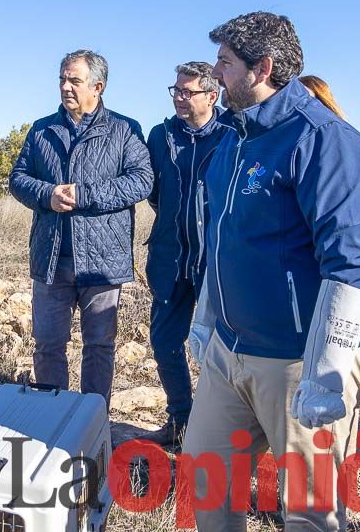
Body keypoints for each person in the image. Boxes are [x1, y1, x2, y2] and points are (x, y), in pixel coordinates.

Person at [184, 11, 360, 531]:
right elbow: (224, 239)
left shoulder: (324, 139)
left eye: (224, 64)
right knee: (206, 483)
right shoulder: (232, 140)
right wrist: (208, 318)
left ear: (262, 68)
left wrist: (327, 371)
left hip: (297, 363)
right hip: (229, 354)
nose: (215, 76)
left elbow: (352, 264)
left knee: (309, 513)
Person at [8, 50, 153, 405]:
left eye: (75, 80)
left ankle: (92, 420)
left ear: (97, 87)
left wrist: (83, 195)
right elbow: (17, 178)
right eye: (62, 78)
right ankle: (51, 415)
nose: (65, 86)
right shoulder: (42, 129)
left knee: (99, 346)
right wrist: (47, 194)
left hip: (103, 260)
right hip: (52, 256)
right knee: (47, 345)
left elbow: (141, 181)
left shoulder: (124, 129)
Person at [139, 61, 228, 447]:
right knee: (164, 342)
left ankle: (212, 429)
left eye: (187, 91)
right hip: (171, 259)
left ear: (212, 95)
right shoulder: (160, 136)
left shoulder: (233, 134)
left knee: (216, 352)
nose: (178, 96)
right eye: (175, 90)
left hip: (217, 263)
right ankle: (180, 421)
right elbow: (156, 195)